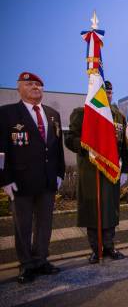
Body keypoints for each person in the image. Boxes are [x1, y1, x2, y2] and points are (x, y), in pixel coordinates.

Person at [0, 72, 65, 283]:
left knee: (45, 224)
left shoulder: (52, 113)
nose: (35, 87)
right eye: (29, 84)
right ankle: (26, 265)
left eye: (38, 84)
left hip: (47, 180)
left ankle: (41, 260)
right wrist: (4, 179)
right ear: (19, 88)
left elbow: (57, 149)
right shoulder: (7, 114)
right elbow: (1, 149)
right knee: (23, 225)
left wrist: (60, 173)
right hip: (20, 181)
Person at [65, 80, 128, 264]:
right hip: (90, 169)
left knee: (110, 210)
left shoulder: (118, 116)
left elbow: (123, 147)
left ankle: (109, 246)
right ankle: (96, 249)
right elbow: (70, 139)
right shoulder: (82, 113)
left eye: (110, 92)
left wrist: (125, 169)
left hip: (111, 170)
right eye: (104, 92)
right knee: (92, 210)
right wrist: (89, 147)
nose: (108, 95)